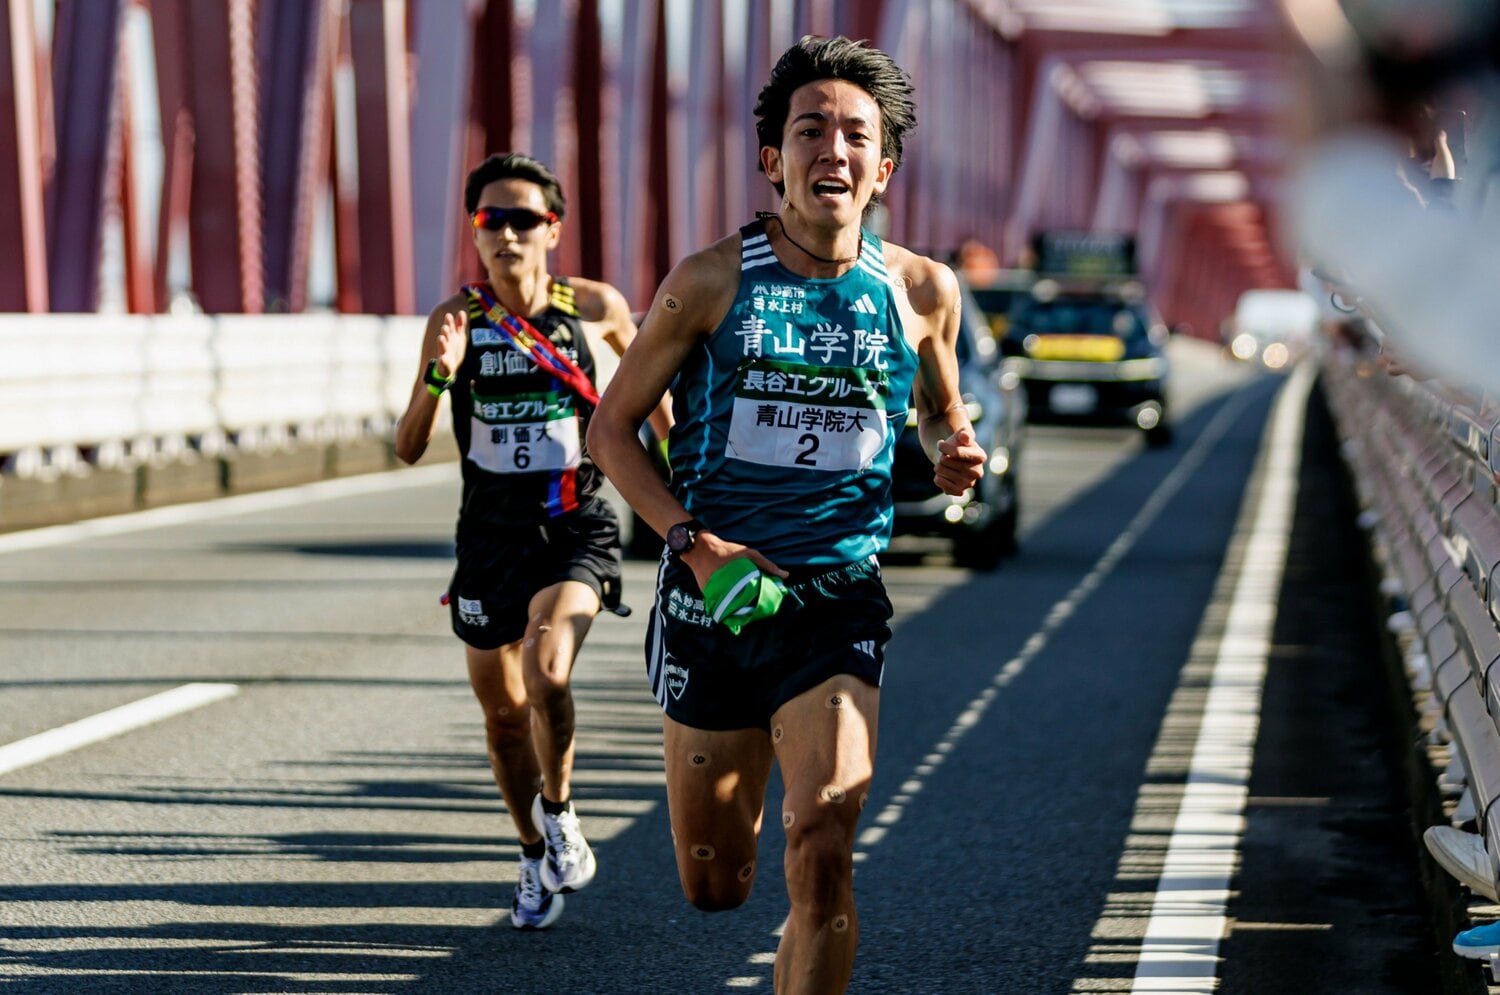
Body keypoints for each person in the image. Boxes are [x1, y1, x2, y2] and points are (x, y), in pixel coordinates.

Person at [587, 36, 985, 993]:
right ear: (773, 160)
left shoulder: (923, 289)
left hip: (837, 595)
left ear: (884, 166)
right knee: (715, 884)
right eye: (810, 131)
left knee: (824, 835)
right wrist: (691, 542)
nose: (832, 152)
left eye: (856, 134)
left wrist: (950, 452)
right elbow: (611, 433)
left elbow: (940, 413)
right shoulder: (711, 281)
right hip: (716, 594)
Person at [394, 152, 670, 930]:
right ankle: (529, 850)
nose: (506, 233)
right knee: (504, 716)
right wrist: (440, 375)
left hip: (576, 524)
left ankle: (562, 810)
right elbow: (408, 444)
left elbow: (653, 400)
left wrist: (684, 481)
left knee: (548, 671)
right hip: (487, 537)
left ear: (553, 227)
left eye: (523, 219)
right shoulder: (455, 319)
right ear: (476, 231)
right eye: (491, 220)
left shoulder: (594, 306)